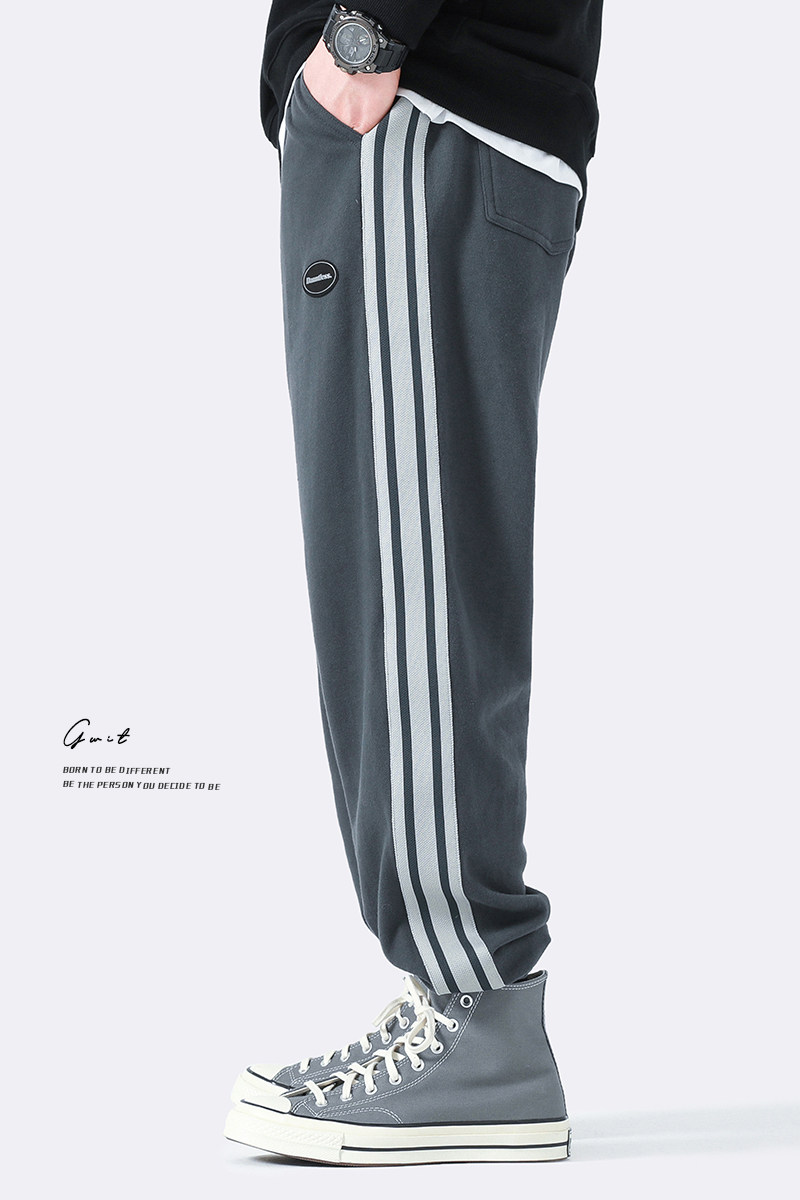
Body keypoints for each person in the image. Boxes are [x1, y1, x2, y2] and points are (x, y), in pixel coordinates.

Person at [225, 1, 604, 1166]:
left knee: (411, 580)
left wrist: (363, 37)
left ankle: (477, 1013)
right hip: (420, 118)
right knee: (408, 566)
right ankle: (459, 1004)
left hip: (421, 105)